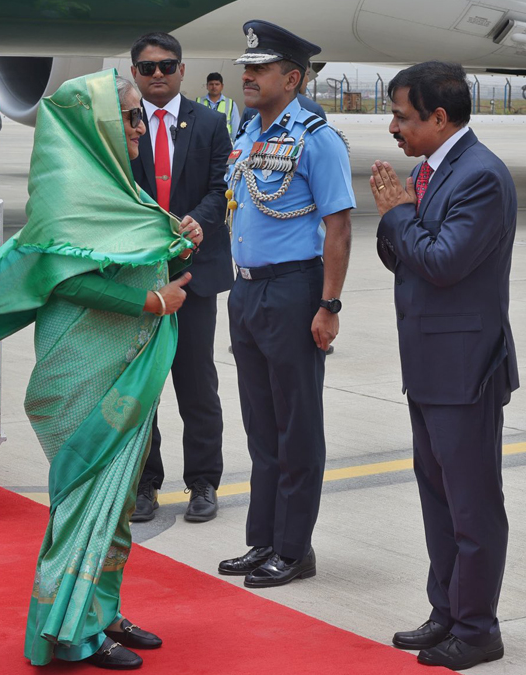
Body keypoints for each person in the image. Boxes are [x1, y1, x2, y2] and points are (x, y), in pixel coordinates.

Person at [0, 70, 204, 670]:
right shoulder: (67, 197)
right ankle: (68, 634)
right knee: (84, 504)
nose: (137, 126)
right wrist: (153, 302)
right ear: (94, 124)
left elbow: (125, 253)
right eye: (127, 116)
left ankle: (101, 613)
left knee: (117, 505)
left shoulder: (115, 187)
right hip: (82, 376)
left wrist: (177, 238)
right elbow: (66, 277)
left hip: (124, 369)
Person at [371, 61, 518, 671]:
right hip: (428, 363)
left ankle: (478, 627)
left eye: (403, 117)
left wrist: (401, 214)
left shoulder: (480, 176)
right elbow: (401, 256)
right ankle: (448, 611)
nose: (393, 129)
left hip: (464, 368)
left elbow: (443, 261)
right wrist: (398, 215)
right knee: (437, 497)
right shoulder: (430, 171)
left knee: (472, 504)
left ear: (438, 116)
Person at [216, 20, 354, 588]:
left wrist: (330, 305)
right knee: (260, 425)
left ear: (292, 78)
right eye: (247, 66)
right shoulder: (249, 131)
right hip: (246, 288)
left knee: (297, 426)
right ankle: (265, 538)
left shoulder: (317, 137)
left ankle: (295, 549)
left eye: (260, 68)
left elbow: (339, 228)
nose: (247, 75)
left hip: (295, 289)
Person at [127, 32, 233, 525]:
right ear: (135, 74)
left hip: (194, 275)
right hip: (139, 279)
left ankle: (203, 483)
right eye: (147, 68)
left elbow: (219, 188)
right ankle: (145, 483)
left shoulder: (210, 122)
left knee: (196, 385)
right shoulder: (120, 128)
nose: (158, 75)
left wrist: (198, 221)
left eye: (166, 66)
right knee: (140, 389)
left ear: (182, 70)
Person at [197, 71, 241, 139]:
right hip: (204, 143)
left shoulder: (231, 103)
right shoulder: (198, 102)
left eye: (217, 84)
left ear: (222, 86)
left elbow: (236, 127)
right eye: (211, 84)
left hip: (224, 144)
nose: (214, 87)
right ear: (207, 86)